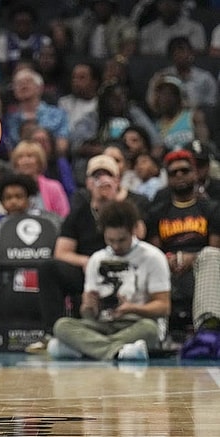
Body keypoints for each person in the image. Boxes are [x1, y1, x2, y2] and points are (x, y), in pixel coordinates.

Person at [47, 200, 171, 361]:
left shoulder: (153, 257)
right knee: (62, 325)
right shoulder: (96, 259)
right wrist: (88, 306)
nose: (116, 246)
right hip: (102, 324)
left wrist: (131, 308)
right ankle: (118, 352)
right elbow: (88, 316)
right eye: (110, 240)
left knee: (149, 330)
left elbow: (164, 307)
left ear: (134, 230)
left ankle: (86, 350)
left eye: (121, 240)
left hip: (136, 323)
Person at [145, 150, 220, 339]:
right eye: (173, 173)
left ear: (195, 173)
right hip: (167, 267)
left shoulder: (211, 209)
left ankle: (207, 326)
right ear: (167, 179)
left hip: (203, 266)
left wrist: (191, 258)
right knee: (152, 261)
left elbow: (215, 249)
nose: (179, 176)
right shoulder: (157, 212)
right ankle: (158, 329)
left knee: (210, 255)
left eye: (184, 171)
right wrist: (170, 260)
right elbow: (154, 251)